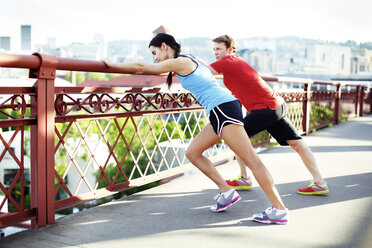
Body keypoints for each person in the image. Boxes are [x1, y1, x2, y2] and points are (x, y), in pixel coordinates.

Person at [103, 33, 289, 224]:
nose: (155, 58)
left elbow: (142, 67)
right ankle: (226, 192)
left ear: (164, 46)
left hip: (222, 109)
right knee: (193, 153)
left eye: (155, 52)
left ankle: (279, 209)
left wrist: (112, 65)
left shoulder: (178, 62)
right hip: (221, 109)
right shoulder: (189, 57)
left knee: (252, 159)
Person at [205, 35, 329, 196]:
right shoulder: (236, 61)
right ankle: (320, 182)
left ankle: (244, 178)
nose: (215, 52)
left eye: (219, 49)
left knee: (235, 137)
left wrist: (179, 62)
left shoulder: (228, 62)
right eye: (214, 49)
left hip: (266, 109)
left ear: (230, 49)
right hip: (275, 105)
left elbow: (202, 71)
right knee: (297, 144)